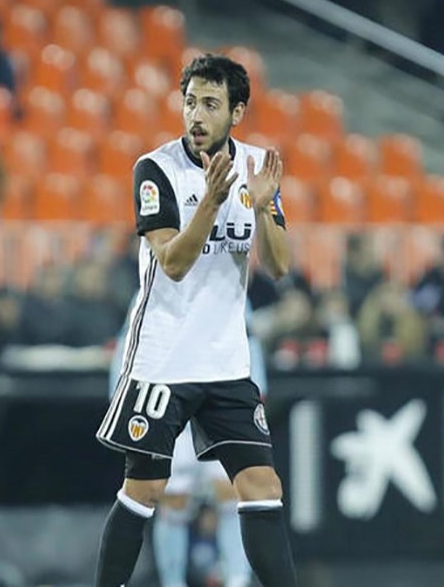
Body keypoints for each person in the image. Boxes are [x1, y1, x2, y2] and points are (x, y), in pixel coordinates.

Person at [93, 54, 297, 587]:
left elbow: (277, 265)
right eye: (190, 102)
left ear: (237, 111)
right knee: (148, 489)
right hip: (163, 358)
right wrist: (211, 200)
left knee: (262, 485)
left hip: (226, 362)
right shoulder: (155, 169)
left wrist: (263, 205)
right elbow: (174, 264)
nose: (196, 115)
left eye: (210, 103)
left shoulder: (256, 168)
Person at [107, 298, 267, 587]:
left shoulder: (228, 280)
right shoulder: (160, 277)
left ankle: (238, 580)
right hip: (170, 400)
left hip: (220, 400)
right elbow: (130, 342)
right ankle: (172, 582)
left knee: (231, 493)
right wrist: (124, 396)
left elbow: (248, 342)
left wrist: (255, 394)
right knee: (172, 499)